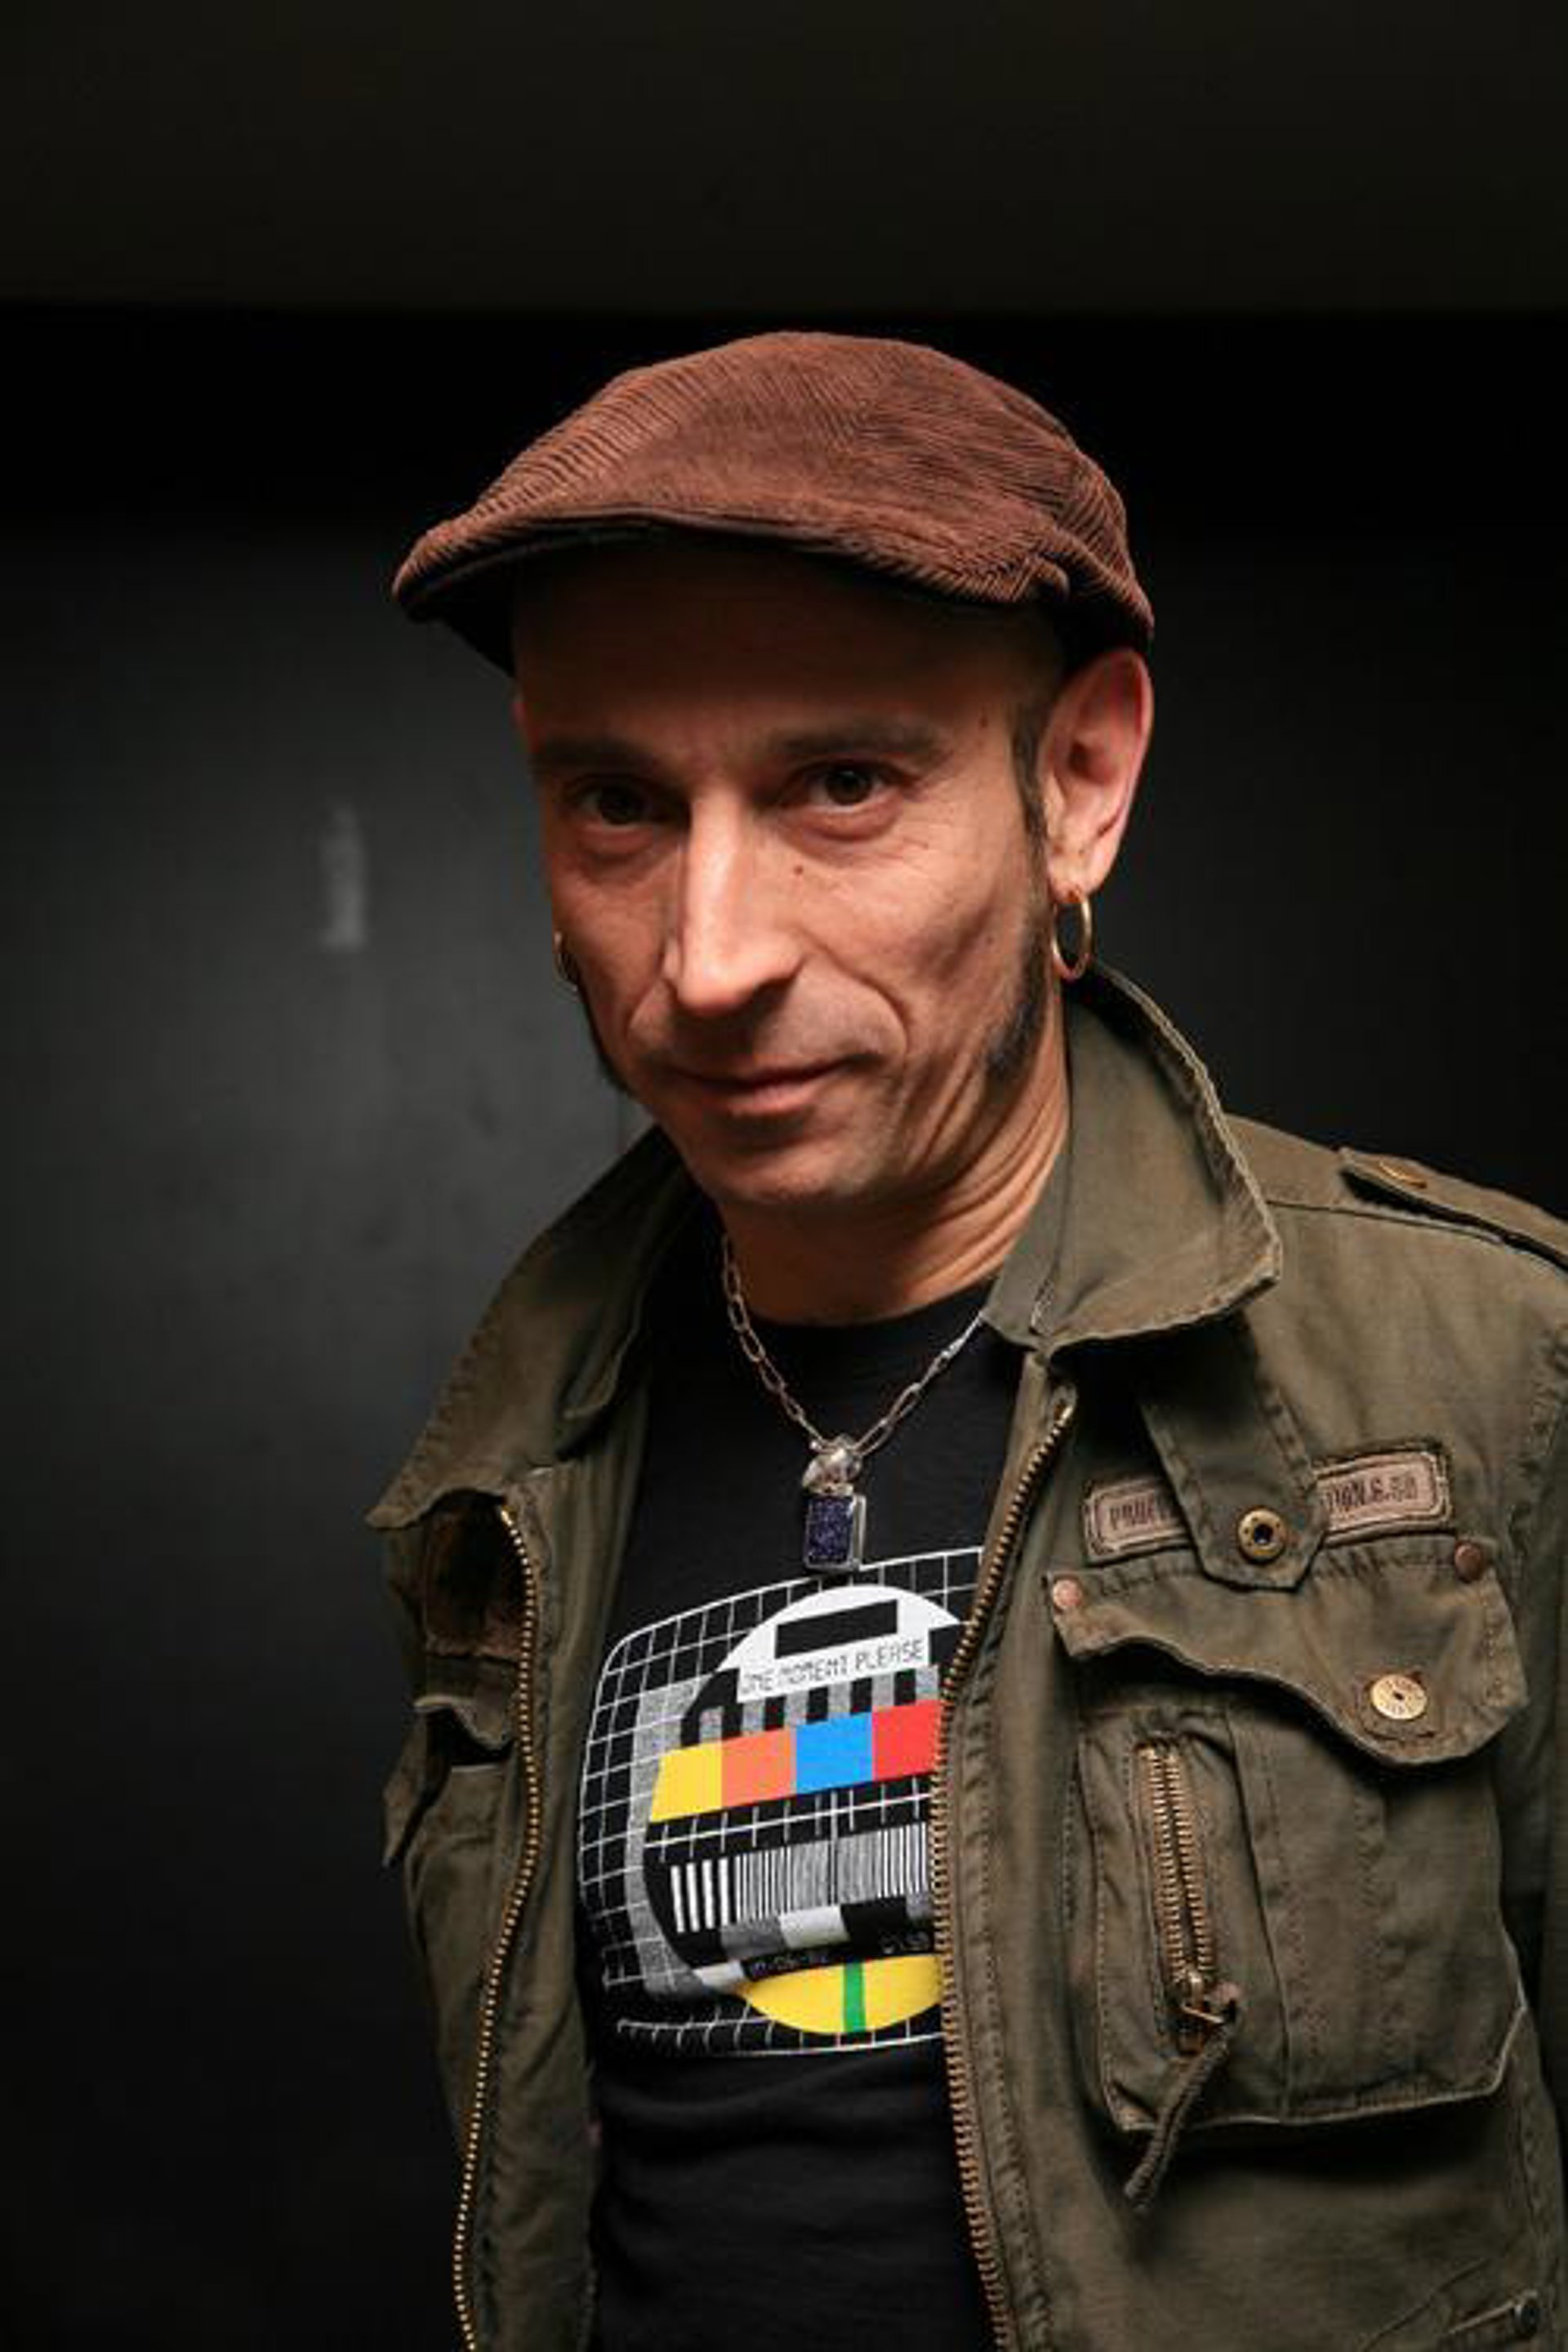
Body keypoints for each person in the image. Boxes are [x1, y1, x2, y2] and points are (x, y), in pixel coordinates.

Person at [373, 332, 1566, 2352]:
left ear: (1078, 784)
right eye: (618, 804)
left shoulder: (1493, 1371)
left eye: (841, 785)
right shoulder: (514, 1465)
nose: (711, 959)